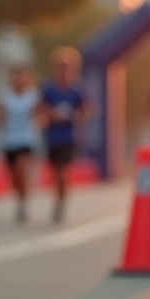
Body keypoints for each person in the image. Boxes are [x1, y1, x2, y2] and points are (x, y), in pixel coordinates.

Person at [38, 47, 92, 223]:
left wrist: (77, 116)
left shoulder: (77, 89)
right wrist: (51, 114)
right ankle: (57, 200)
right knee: (54, 172)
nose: (63, 70)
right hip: (52, 135)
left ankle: (61, 204)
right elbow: (39, 107)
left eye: (66, 66)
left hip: (69, 136)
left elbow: (88, 109)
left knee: (63, 171)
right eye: (60, 66)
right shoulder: (48, 88)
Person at [0, 65, 41, 223]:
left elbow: (41, 115)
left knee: (21, 170)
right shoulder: (5, 96)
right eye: (15, 76)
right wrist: (0, 119)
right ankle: (20, 199)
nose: (18, 79)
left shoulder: (33, 96)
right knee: (14, 177)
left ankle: (23, 204)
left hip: (26, 139)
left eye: (21, 76)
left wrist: (37, 122)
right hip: (9, 140)